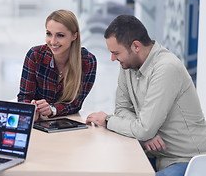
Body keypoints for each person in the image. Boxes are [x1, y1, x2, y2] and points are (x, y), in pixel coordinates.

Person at [86, 15, 206, 176]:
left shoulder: (166, 68)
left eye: (116, 53)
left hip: (186, 159)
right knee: (104, 167)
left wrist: (108, 120)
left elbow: (143, 129)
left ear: (136, 46)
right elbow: (122, 109)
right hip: (153, 154)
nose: (112, 58)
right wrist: (144, 133)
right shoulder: (127, 65)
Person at [17, 10, 97, 120]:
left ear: (74, 36)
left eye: (60, 35)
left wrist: (52, 109)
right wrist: (30, 110)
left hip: (65, 121)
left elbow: (75, 104)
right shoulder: (35, 55)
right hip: (37, 121)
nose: (53, 41)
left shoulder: (87, 62)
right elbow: (24, 96)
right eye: (49, 34)